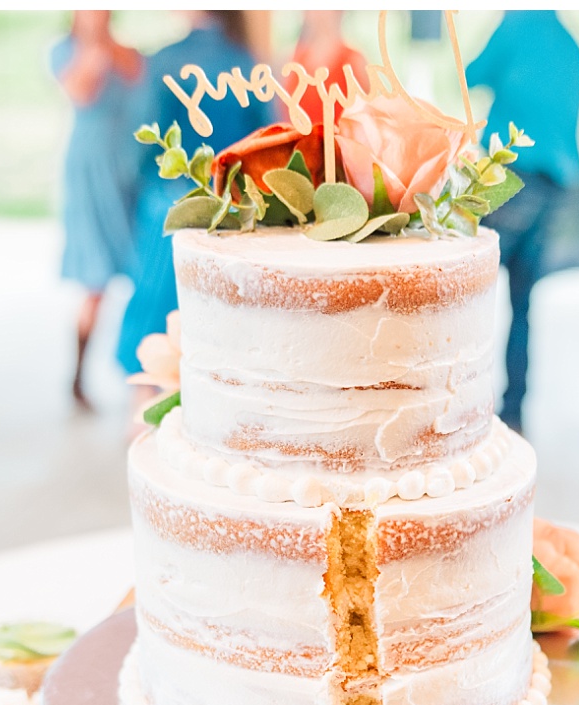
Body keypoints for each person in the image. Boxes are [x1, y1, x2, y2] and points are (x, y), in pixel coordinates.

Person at [117, 13, 272, 385]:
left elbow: (139, 145)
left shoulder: (163, 62)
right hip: (229, 210)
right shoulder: (249, 63)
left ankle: (141, 409)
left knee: (152, 328)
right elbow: (266, 145)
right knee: (215, 325)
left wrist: (135, 195)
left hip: (167, 209)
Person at [466, 11, 579, 433]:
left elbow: (469, 76)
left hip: (509, 177)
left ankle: (464, 409)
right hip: (554, 185)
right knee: (522, 303)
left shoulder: (514, 26)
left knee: (469, 290)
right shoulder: (570, 43)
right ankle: (514, 412)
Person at [50, 11, 147, 411]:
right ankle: (78, 376)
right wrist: (94, 45)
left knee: (143, 269)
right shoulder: (64, 51)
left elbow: (143, 86)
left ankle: (141, 376)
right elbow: (81, 90)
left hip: (127, 166)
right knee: (95, 276)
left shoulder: (128, 53)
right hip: (89, 170)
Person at [288, 11, 367, 130]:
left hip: (342, 140)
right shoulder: (295, 62)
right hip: (302, 140)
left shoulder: (354, 60)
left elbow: (367, 118)